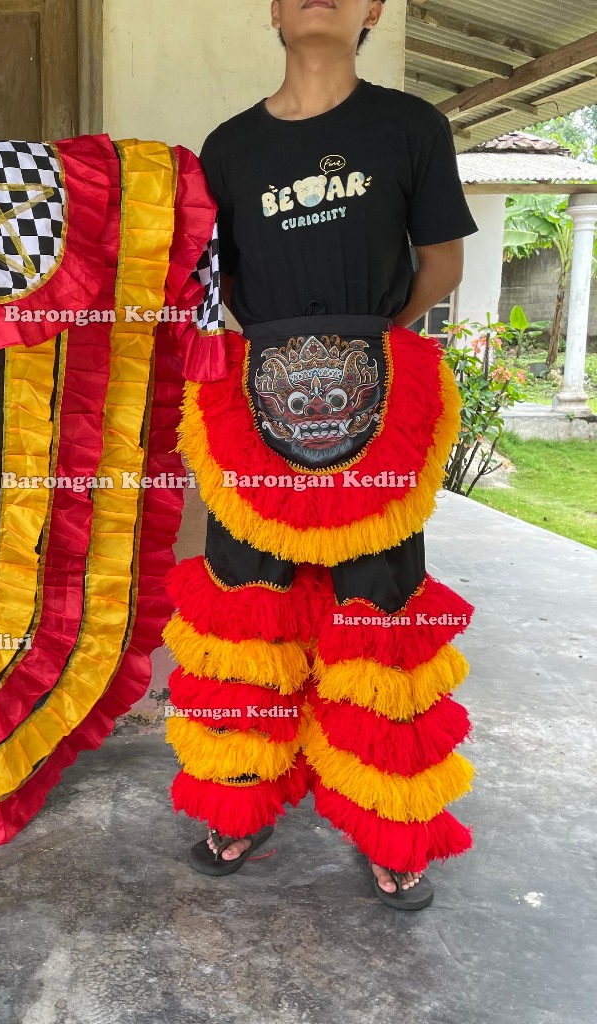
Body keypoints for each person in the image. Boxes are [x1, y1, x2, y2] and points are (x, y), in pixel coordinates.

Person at [164, 0, 478, 909]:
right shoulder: (226, 149)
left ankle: (391, 821)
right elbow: (200, 272)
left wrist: (369, 343)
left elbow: (442, 264)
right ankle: (239, 801)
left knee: (381, 609)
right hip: (252, 401)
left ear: (374, 10)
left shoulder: (411, 126)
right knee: (247, 612)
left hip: (378, 395)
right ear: (271, 8)